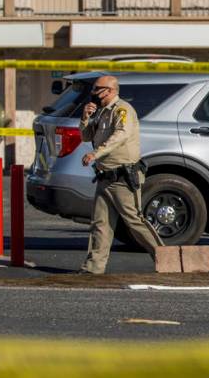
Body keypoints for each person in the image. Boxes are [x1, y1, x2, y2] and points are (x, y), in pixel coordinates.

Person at [78, 75, 163, 274]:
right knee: (101, 223)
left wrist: (95, 153)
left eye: (97, 88)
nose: (93, 92)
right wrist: (85, 118)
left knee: (134, 221)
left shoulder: (123, 110)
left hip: (123, 176)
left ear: (110, 90)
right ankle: (93, 267)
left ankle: (166, 259)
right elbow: (86, 136)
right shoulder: (100, 112)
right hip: (104, 175)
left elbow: (120, 136)